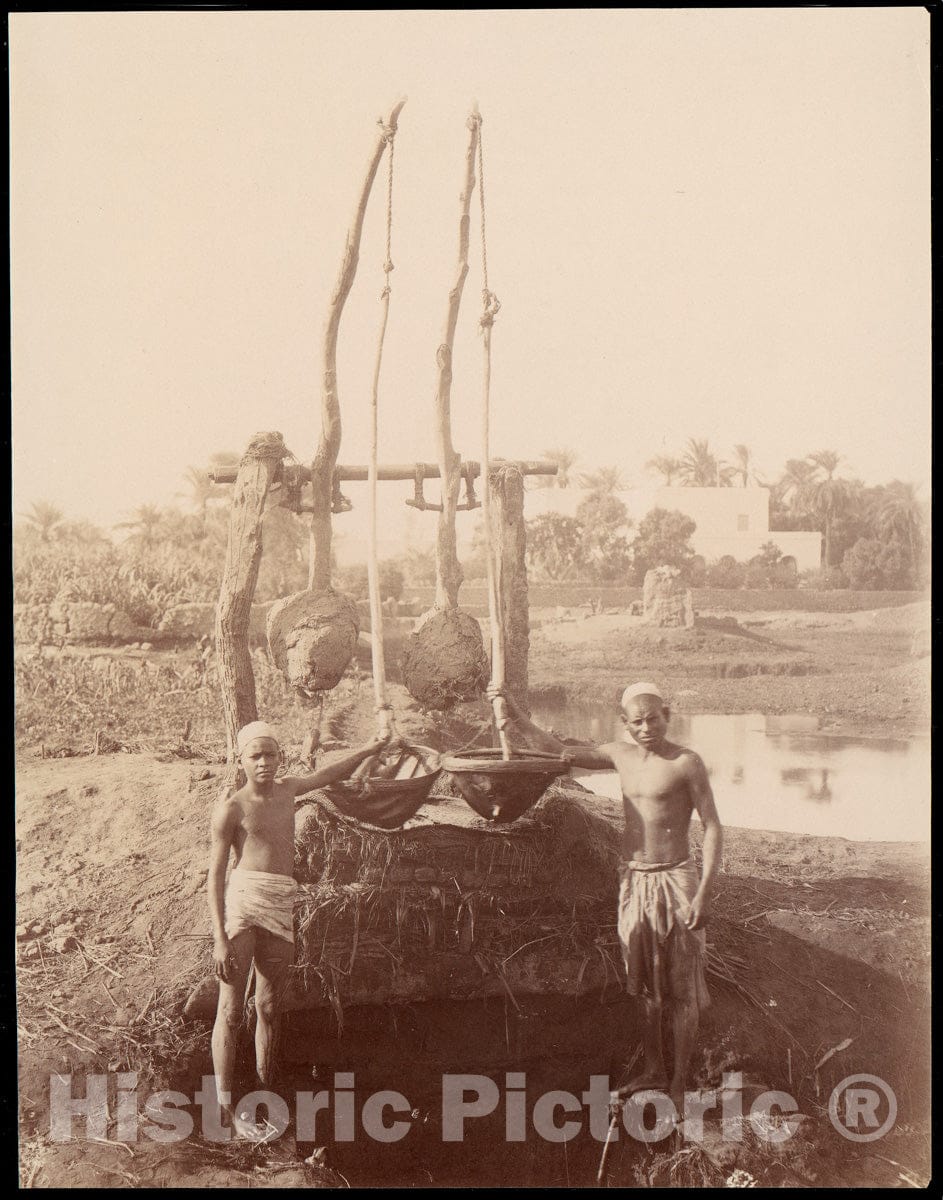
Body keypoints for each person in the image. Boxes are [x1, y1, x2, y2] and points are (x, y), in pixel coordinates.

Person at [490, 681, 722, 1114]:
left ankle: (677, 1082)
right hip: (634, 879)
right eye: (637, 721)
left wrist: (704, 893)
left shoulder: (687, 763)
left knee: (682, 985)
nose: (647, 726)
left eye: (654, 717)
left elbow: (712, 826)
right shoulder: (620, 755)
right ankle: (653, 1067)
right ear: (625, 724)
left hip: (677, 878)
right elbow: (559, 750)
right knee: (644, 983)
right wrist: (515, 715)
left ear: (667, 716)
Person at [208, 719, 390, 1138]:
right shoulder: (231, 808)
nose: (265, 763)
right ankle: (221, 1105)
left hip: (280, 901)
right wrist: (220, 938)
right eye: (255, 756)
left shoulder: (289, 789)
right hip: (242, 904)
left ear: (280, 756)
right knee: (231, 1010)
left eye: (270, 754)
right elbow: (215, 877)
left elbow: (328, 774)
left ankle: (263, 1095)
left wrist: (369, 748)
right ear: (241, 760)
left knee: (269, 1007)